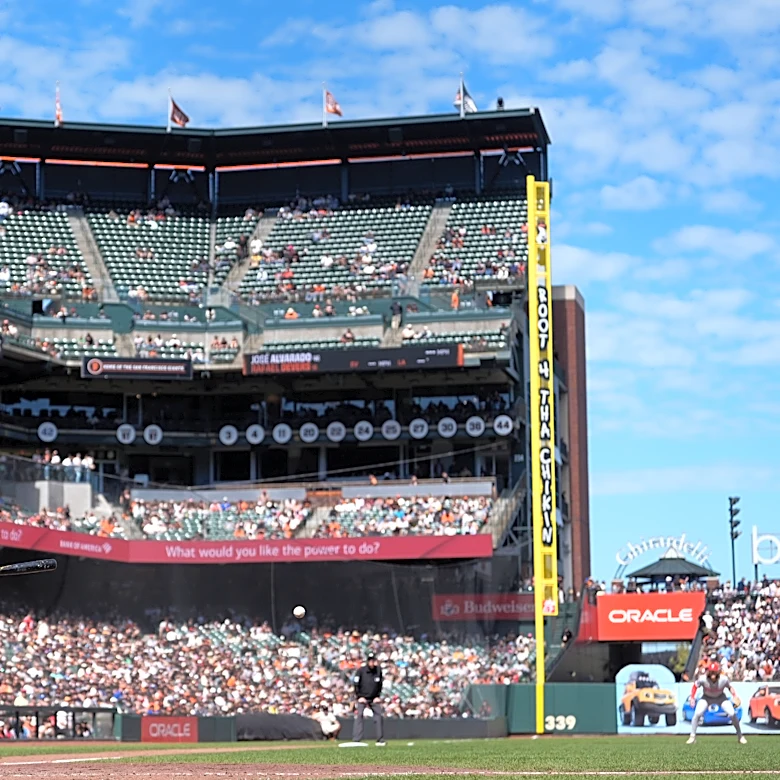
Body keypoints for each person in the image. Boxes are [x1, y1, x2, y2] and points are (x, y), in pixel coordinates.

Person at [687, 661, 745, 744]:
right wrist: (692, 697)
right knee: (697, 714)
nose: (713, 674)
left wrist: (734, 695)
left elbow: (730, 687)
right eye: (711, 672)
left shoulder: (723, 679)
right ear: (708, 672)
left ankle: (740, 736)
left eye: (714, 672)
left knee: (732, 713)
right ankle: (692, 737)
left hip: (720, 697)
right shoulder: (703, 678)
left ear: (718, 672)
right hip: (706, 698)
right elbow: (695, 686)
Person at [351, 652, 385, 745]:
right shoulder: (361, 671)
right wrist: (359, 696)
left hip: (374, 697)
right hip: (362, 697)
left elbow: (380, 684)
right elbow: (356, 684)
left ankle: (380, 738)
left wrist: (378, 696)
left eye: (373, 660)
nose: (372, 663)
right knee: (359, 716)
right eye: (370, 661)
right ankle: (356, 738)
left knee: (378, 716)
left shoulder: (378, 671)